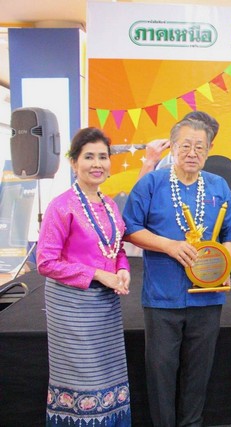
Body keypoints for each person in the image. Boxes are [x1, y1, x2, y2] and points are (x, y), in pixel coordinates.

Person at [122, 118, 231, 426]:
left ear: (209, 149)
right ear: (172, 147)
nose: (192, 152)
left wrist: (222, 264)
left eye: (200, 146)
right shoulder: (152, 183)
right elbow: (129, 228)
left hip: (207, 297)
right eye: (185, 145)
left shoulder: (218, 186)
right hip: (162, 297)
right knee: (160, 373)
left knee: (198, 372)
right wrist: (168, 246)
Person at [37, 127, 131, 426]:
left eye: (103, 156)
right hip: (72, 307)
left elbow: (117, 248)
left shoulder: (110, 205)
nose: (97, 164)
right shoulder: (61, 205)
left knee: (108, 375)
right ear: (73, 162)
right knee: (84, 380)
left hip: (105, 304)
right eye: (89, 157)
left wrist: (122, 269)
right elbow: (46, 262)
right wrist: (98, 274)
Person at [138, 110, 231, 196]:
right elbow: (139, 199)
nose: (191, 153)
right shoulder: (164, 165)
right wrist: (149, 162)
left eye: (199, 145)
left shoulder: (212, 168)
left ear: (209, 145)